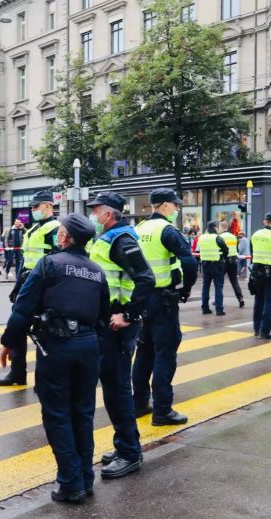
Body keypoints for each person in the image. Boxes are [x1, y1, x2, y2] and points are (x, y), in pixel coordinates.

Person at [0, 213, 109, 504]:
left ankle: (71, 483)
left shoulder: (49, 264)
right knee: (83, 413)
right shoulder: (97, 271)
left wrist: (9, 343)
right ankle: (85, 478)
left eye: (60, 231)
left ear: (64, 237)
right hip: (88, 347)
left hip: (57, 347)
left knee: (58, 413)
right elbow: (103, 316)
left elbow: (23, 308)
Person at [87, 191, 156, 479]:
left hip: (117, 327)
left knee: (117, 388)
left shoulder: (121, 240)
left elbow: (146, 278)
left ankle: (130, 451)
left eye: (97, 210)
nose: (93, 215)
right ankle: (124, 444)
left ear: (110, 214)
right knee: (114, 387)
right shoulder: (110, 237)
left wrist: (127, 315)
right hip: (108, 324)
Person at [133, 187, 198, 425]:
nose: (177, 209)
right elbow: (189, 263)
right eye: (175, 205)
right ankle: (163, 410)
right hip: (163, 300)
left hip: (141, 300)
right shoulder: (167, 230)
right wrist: (186, 288)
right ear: (164, 205)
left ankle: (139, 404)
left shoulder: (138, 229)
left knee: (144, 351)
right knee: (165, 353)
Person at [0, 191, 60, 387]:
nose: (33, 210)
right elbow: (25, 261)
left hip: (44, 285)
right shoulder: (33, 229)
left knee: (45, 332)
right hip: (28, 282)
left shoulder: (55, 229)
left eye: (36, 206)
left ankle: (45, 378)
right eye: (32, 207)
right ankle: (17, 373)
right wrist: (18, 287)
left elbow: (57, 259)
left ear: (49, 206)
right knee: (18, 328)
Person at [197, 220, 228, 316]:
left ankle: (205, 308)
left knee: (205, 287)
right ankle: (219, 310)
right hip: (216, 264)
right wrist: (223, 257)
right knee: (218, 287)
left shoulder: (201, 238)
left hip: (205, 265)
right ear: (215, 228)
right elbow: (225, 250)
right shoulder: (217, 238)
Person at [218, 220, 245, 307]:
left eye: (219, 227)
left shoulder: (219, 237)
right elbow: (236, 250)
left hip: (223, 261)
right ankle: (240, 298)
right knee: (234, 281)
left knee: (219, 281)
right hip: (233, 261)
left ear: (221, 227)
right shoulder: (233, 236)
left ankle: (218, 299)